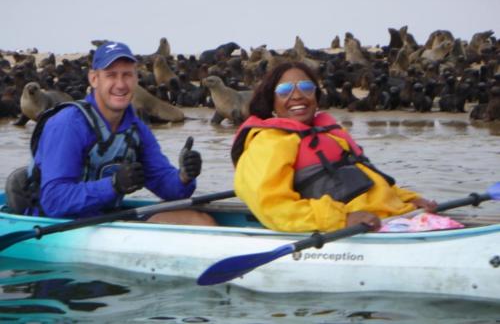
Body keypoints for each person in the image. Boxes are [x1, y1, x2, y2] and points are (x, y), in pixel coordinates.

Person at [6, 41, 215, 225]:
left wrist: (185, 176)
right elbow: (54, 201)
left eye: (127, 75)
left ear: (135, 78)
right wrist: (113, 184)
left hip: (105, 219)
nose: (121, 84)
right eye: (111, 75)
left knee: (201, 220)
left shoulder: (136, 127)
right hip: (56, 225)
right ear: (94, 79)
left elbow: (168, 188)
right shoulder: (68, 124)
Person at [231, 61, 436, 232]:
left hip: (388, 217)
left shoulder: (330, 133)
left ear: (316, 96)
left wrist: (409, 199)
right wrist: (343, 219)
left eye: (306, 87)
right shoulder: (269, 143)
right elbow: (273, 208)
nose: (297, 96)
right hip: (348, 227)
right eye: (284, 90)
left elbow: (368, 180)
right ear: (271, 101)